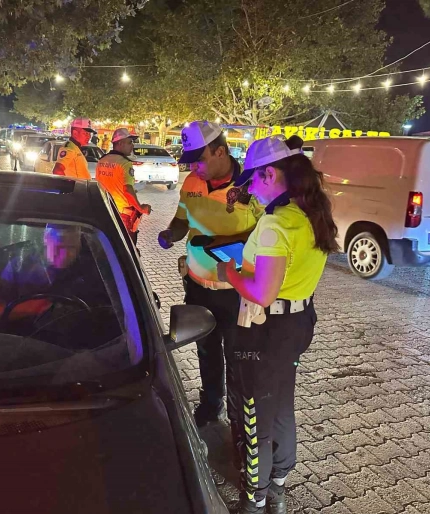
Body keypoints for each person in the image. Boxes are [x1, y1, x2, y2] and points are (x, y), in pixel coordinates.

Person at [216, 136, 339, 514]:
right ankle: (278, 489)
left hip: (266, 331)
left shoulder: (275, 222)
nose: (250, 188)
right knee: (282, 404)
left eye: (253, 179)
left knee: (256, 416)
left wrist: (230, 273)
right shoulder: (309, 213)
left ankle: (254, 499)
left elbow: (262, 293)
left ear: (270, 174)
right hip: (298, 323)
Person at [157, 120, 263, 430]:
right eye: (190, 162)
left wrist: (222, 243)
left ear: (220, 152)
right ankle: (211, 404)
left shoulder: (252, 186)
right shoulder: (192, 182)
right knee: (206, 349)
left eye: (199, 160)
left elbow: (266, 234)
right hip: (197, 284)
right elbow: (181, 220)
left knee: (238, 354)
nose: (194, 168)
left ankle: (239, 417)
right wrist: (170, 233)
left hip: (237, 290)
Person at [0, 224, 107, 321]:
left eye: (71, 247)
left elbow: (108, 311)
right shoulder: (20, 265)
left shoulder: (95, 269)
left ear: (79, 244)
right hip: (24, 336)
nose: (65, 254)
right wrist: (30, 308)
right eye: (58, 246)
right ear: (46, 240)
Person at [96, 128, 152, 245]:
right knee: (126, 248)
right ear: (120, 143)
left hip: (104, 211)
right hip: (123, 215)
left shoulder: (102, 161)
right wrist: (140, 208)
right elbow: (127, 190)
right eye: (129, 142)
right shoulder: (125, 163)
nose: (132, 145)